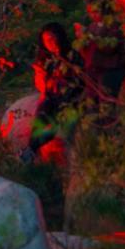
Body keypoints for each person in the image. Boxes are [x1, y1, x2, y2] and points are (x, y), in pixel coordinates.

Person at [28, 22, 85, 162]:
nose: (50, 43)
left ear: (59, 37)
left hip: (71, 101)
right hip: (52, 101)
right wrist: (41, 76)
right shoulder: (47, 61)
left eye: (52, 38)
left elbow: (80, 80)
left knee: (63, 128)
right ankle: (31, 153)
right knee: (40, 122)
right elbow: (43, 88)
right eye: (46, 41)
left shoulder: (72, 55)